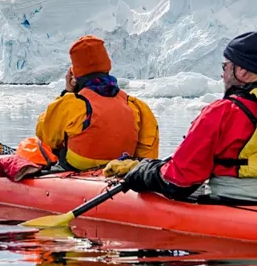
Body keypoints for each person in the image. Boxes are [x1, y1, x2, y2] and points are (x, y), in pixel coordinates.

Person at [115, 31, 257, 204]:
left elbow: (178, 181)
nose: (222, 74)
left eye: (225, 66)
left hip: (233, 204)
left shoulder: (222, 112)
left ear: (242, 71)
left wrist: (143, 171)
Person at [18, 35, 159, 171]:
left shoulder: (73, 103)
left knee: (33, 145)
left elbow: (46, 134)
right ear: (107, 66)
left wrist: (68, 91)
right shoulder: (135, 105)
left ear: (76, 74)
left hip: (76, 168)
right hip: (121, 168)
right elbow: (148, 152)